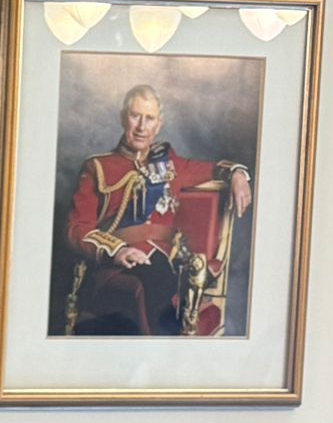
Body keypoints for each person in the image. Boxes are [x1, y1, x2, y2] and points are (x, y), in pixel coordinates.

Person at [63, 83, 253, 335]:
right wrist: (116, 251)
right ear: (123, 118)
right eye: (135, 116)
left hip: (167, 259)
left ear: (159, 125)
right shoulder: (98, 167)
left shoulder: (168, 163)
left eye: (149, 118)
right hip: (115, 264)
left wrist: (237, 173)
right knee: (156, 280)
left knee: (164, 276)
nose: (142, 127)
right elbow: (76, 229)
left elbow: (211, 170)